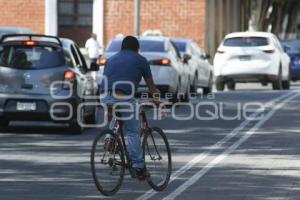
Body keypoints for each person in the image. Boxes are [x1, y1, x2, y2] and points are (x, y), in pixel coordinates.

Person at [100, 36, 159, 180]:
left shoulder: (111, 59)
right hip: (124, 96)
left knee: (118, 113)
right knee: (133, 131)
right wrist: (156, 99)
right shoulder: (141, 60)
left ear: (122, 47)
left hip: (105, 95)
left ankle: (109, 138)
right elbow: (150, 84)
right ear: (137, 49)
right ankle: (138, 167)